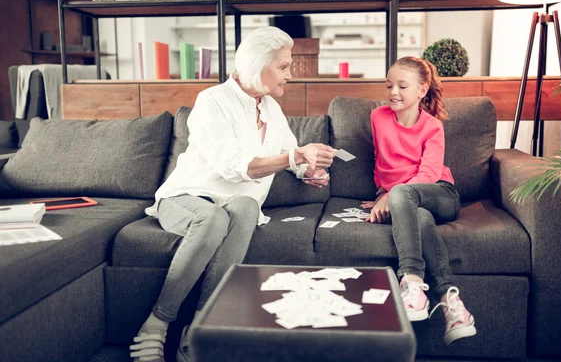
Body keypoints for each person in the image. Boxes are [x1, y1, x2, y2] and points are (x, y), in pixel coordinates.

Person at [129, 26, 336, 362]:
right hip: (186, 198)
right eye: (284, 66)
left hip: (231, 205)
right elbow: (234, 166)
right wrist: (296, 157)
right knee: (212, 218)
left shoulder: (269, 108)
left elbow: (288, 151)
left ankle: (200, 329)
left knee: (245, 207)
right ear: (258, 66)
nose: (291, 74)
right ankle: (156, 324)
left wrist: (307, 170)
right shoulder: (213, 101)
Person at [360, 56, 476, 345]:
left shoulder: (432, 126)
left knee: (402, 193)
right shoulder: (378, 117)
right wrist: (381, 193)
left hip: (440, 194)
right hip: (410, 203)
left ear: (422, 90)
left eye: (402, 86)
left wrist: (390, 195)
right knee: (420, 218)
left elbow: (428, 173)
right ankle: (452, 302)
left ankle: (410, 279)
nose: (393, 92)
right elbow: (381, 162)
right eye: (389, 85)